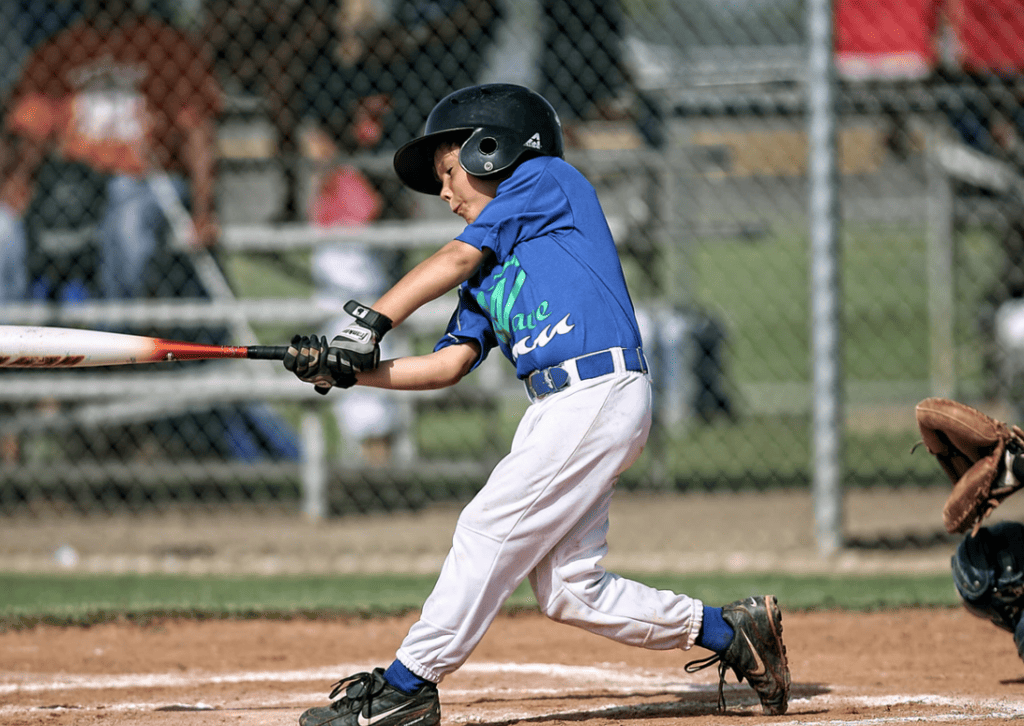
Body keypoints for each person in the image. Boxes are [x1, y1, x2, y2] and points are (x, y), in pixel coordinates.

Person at [282, 83, 791, 725]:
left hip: (595, 392)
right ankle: (731, 631)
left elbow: (454, 254)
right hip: (561, 410)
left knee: (486, 528)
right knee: (570, 591)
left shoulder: (547, 179)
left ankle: (407, 687)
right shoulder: (486, 268)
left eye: (449, 171)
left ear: (492, 149)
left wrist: (368, 322)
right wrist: (348, 372)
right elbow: (447, 365)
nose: (444, 193)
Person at [0, 0, 222, 303]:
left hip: (145, 182)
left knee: (127, 221)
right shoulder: (58, 49)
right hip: (75, 186)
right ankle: (14, 340)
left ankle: (119, 335)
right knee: (4, 230)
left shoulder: (170, 46)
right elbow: (32, 132)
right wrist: (19, 182)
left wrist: (203, 209)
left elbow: (198, 132)